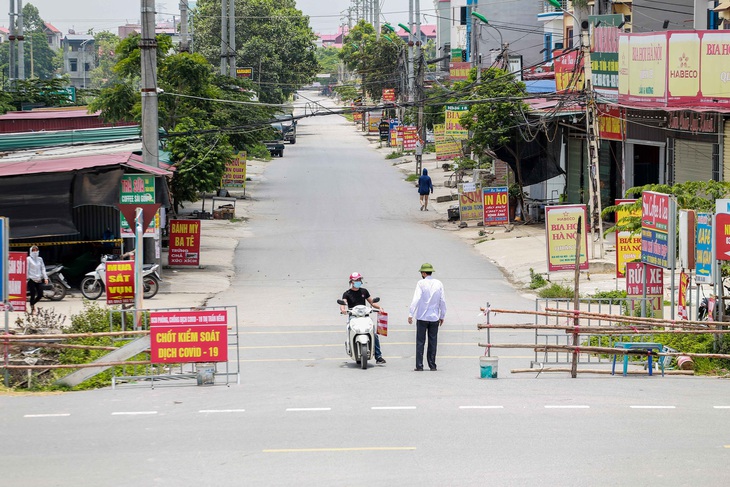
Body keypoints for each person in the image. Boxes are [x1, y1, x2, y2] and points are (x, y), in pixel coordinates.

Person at [340, 272, 387, 364]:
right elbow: (343, 304)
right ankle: (353, 350)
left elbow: (372, 302)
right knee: (351, 332)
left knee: (374, 335)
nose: (359, 281)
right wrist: (343, 310)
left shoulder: (364, 291)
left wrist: (379, 307)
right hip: (353, 317)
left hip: (365, 317)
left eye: (359, 280)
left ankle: (378, 356)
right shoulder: (347, 294)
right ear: (352, 282)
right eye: (356, 280)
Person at [408, 263, 446, 371]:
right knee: (433, 342)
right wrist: (442, 315)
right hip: (434, 317)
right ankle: (432, 365)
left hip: (422, 317)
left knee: (420, 342)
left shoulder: (421, 283)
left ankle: (419, 365)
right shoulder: (439, 283)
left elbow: (416, 299)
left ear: (424, 273)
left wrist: (411, 314)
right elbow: (442, 301)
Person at [26, 245, 49, 314]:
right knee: (32, 294)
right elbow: (26, 269)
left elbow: (43, 268)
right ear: (31, 251)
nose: (35, 252)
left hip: (39, 279)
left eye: (36, 250)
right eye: (33, 250)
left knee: (40, 295)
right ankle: (32, 309)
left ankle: (32, 304)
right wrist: (26, 278)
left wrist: (45, 278)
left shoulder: (40, 259)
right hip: (31, 279)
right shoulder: (28, 259)